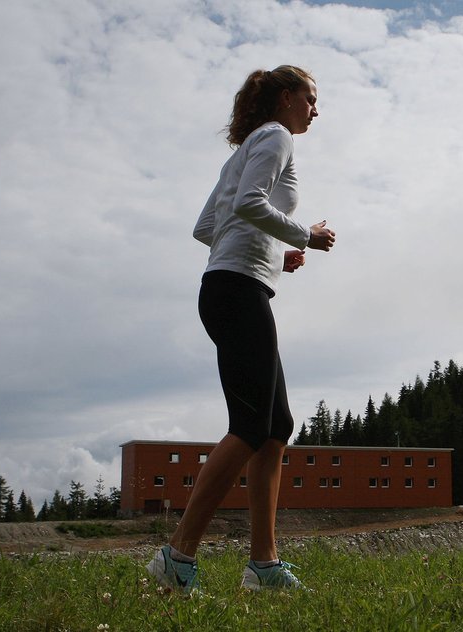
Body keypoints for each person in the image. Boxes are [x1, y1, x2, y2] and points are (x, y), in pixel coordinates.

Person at [146, 65, 336, 594]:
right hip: (236, 291)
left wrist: (273, 255)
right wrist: (307, 235)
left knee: (276, 427)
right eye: (309, 98)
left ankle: (264, 566)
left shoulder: (244, 148)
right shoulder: (275, 137)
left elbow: (207, 226)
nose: (315, 109)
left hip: (235, 286)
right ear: (284, 98)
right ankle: (177, 557)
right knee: (251, 425)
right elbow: (251, 206)